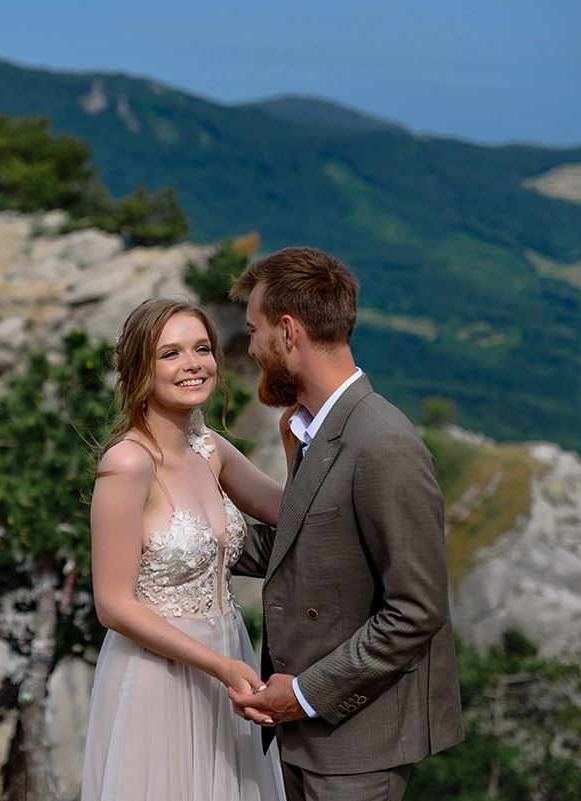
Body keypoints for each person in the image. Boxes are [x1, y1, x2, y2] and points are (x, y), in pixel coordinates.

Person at [226, 246, 464, 801]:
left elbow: (417, 610)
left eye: (255, 331)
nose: (252, 348)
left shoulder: (383, 444)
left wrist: (305, 694)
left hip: (357, 749)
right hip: (302, 738)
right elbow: (295, 551)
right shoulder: (317, 429)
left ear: (288, 333)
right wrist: (169, 530)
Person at [80, 297, 287, 801]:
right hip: (160, 673)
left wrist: (301, 428)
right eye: (170, 354)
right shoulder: (126, 465)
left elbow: (291, 510)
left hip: (228, 656)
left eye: (202, 348)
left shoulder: (210, 449)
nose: (192, 364)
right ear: (139, 369)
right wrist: (219, 667)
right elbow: (112, 605)